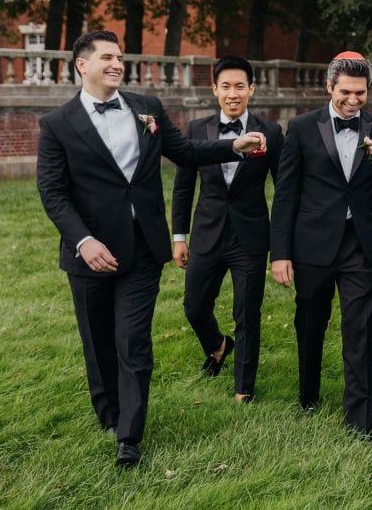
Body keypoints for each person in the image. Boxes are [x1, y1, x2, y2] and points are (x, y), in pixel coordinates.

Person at [36, 31, 266, 467]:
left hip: (142, 249)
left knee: (133, 341)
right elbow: (52, 192)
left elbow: (184, 151)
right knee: (98, 341)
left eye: (119, 57)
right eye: (106, 57)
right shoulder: (57, 124)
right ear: (81, 65)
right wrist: (83, 242)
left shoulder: (147, 109)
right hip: (89, 255)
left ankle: (130, 435)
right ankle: (108, 414)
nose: (116, 64)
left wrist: (232, 145)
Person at [269, 51, 372, 441]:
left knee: (361, 329)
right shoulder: (300, 127)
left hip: (359, 245)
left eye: (360, 93)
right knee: (310, 324)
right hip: (311, 244)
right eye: (345, 91)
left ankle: (360, 420)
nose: (352, 100)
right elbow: (285, 194)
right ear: (329, 87)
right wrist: (279, 253)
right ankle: (308, 394)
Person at [171, 57, 284, 403]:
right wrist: (179, 236)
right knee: (193, 306)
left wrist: (282, 247)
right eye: (225, 86)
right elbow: (183, 187)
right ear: (214, 89)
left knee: (247, 313)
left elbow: (284, 190)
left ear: (251, 89)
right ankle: (218, 345)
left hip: (250, 237)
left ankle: (243, 389)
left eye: (240, 86)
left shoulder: (272, 132)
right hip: (207, 232)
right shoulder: (196, 130)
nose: (232, 94)